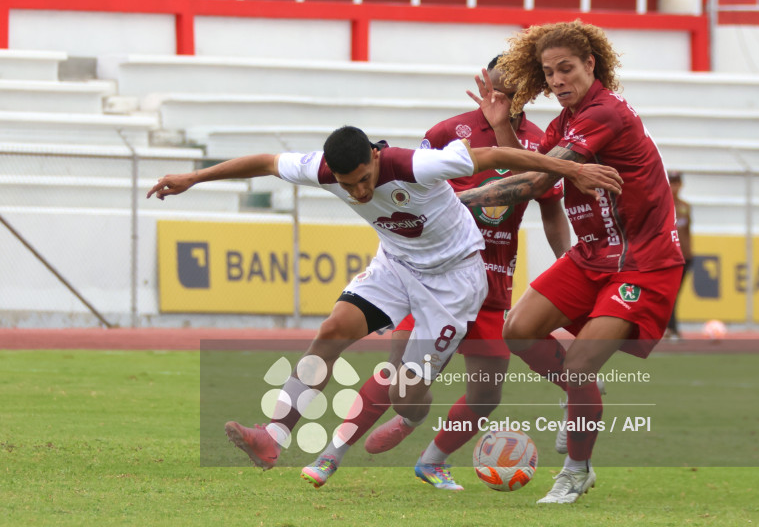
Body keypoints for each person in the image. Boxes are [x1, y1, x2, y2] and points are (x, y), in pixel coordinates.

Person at [146, 124, 622, 472]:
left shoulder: (417, 165)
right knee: (332, 329)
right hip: (395, 266)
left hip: (454, 281)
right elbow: (267, 163)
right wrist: (194, 178)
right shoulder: (323, 170)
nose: (357, 191)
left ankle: (413, 416)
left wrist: (570, 168)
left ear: (375, 157)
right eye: (346, 183)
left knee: (406, 394)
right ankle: (272, 436)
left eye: (363, 180)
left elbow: (496, 153)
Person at [299, 56, 576, 491]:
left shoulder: (539, 143)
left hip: (492, 277)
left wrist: (568, 268)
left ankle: (433, 460)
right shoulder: (448, 133)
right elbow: (404, 195)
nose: (502, 97)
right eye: (496, 88)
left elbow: (550, 209)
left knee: (486, 394)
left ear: (528, 93)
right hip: (429, 275)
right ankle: (332, 454)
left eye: (512, 91)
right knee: (398, 373)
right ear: (484, 83)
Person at [457, 20, 685, 504]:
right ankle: (581, 391)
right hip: (592, 255)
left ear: (591, 65)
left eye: (566, 69)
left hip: (642, 262)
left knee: (578, 364)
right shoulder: (564, 124)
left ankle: (576, 471)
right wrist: (501, 124)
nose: (558, 80)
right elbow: (541, 172)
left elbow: (539, 186)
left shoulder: (604, 113)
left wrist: (461, 200)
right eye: (548, 73)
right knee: (518, 329)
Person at [664, 170, 693, 340]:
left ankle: (671, 329)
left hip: (685, 257)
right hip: (668, 257)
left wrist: (690, 252)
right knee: (669, 293)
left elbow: (688, 232)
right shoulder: (662, 205)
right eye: (671, 182)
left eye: (676, 183)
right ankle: (672, 329)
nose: (674, 187)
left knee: (674, 294)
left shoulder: (685, 207)